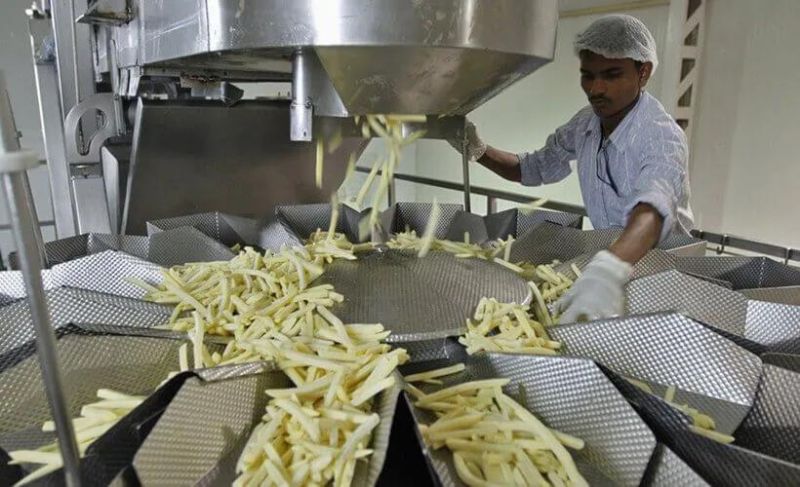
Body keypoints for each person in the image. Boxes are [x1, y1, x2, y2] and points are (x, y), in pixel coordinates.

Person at [450, 14, 693, 323]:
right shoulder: (585, 125)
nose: (596, 88)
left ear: (643, 72)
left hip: (662, 272)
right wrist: (478, 150)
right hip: (609, 262)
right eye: (588, 75)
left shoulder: (660, 135)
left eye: (612, 74)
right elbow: (532, 168)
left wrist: (610, 269)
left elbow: (653, 207)